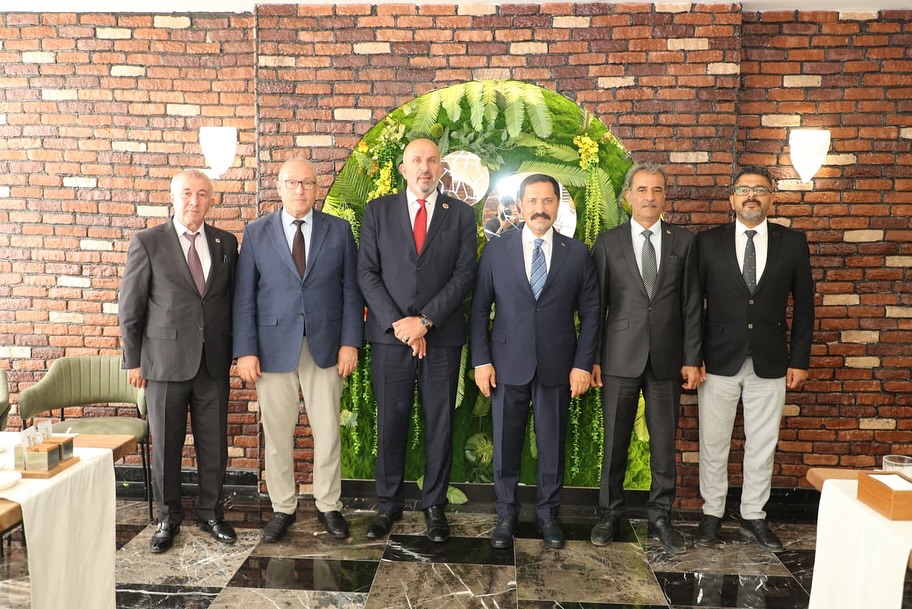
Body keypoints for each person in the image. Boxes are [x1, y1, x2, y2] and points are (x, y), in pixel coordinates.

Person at [232, 158, 363, 543]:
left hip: (326, 346)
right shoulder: (256, 233)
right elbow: (244, 297)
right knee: (277, 434)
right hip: (271, 350)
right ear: (279, 186)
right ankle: (283, 507)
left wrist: (350, 342)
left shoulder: (339, 231)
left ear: (316, 188)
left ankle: (328, 504)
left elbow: (352, 292)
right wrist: (245, 350)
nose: (300, 190)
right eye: (292, 182)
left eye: (307, 183)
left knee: (328, 430)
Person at [470, 173, 600, 549]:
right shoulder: (496, 251)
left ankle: (548, 516)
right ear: (520, 206)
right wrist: (481, 361)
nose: (540, 208)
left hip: (558, 366)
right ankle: (506, 514)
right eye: (533, 201)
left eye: (547, 201)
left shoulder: (577, 253)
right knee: (505, 444)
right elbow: (479, 309)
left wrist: (582, 364)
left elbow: (592, 312)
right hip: (505, 363)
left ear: (558, 206)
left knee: (552, 445)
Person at [357, 138, 477, 542]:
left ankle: (434, 506)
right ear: (403, 168)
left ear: (441, 167)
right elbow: (367, 273)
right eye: (416, 160)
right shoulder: (378, 211)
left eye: (431, 160)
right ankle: (387, 505)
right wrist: (401, 325)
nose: (424, 167)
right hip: (391, 339)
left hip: (441, 337)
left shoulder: (461, 215)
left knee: (439, 423)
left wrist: (424, 322)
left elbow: (464, 274)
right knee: (391, 422)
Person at [694, 165, 814, 550]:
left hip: (771, 360)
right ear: (732, 198)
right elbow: (692, 304)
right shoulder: (707, 242)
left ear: (771, 198)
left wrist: (799, 360)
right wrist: (692, 356)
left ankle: (753, 516)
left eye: (759, 190)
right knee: (714, 442)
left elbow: (805, 306)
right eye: (744, 189)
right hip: (717, 360)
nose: (751, 196)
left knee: (763, 443)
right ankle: (712, 513)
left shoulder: (792, 242)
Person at [119, 168, 238, 554]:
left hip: (212, 363)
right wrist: (133, 361)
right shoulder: (148, 242)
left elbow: (231, 302)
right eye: (187, 193)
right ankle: (168, 518)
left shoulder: (225, 242)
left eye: (202, 194)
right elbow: (130, 307)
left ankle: (211, 513)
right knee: (167, 446)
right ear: (173, 198)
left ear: (212, 200)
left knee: (213, 445)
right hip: (163, 363)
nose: (194, 201)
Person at [589, 164, 702, 555]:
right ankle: (609, 513)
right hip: (619, 357)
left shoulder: (684, 242)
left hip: (668, 359)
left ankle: (660, 517)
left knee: (663, 444)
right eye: (642, 190)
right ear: (628, 196)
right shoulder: (608, 242)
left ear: (665, 196)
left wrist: (692, 357)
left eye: (656, 190)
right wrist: (594, 358)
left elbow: (692, 304)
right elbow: (597, 306)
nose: (649, 197)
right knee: (615, 441)